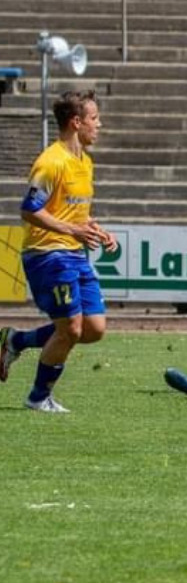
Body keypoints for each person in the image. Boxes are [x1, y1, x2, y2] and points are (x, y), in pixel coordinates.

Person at [0, 90, 116, 413]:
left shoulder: (85, 162)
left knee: (94, 328)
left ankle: (15, 341)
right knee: (72, 329)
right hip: (46, 254)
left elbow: (73, 214)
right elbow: (29, 209)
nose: (99, 125)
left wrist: (94, 229)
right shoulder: (51, 163)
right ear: (76, 122)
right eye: (94, 118)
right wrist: (74, 231)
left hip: (74, 253)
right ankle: (38, 397)